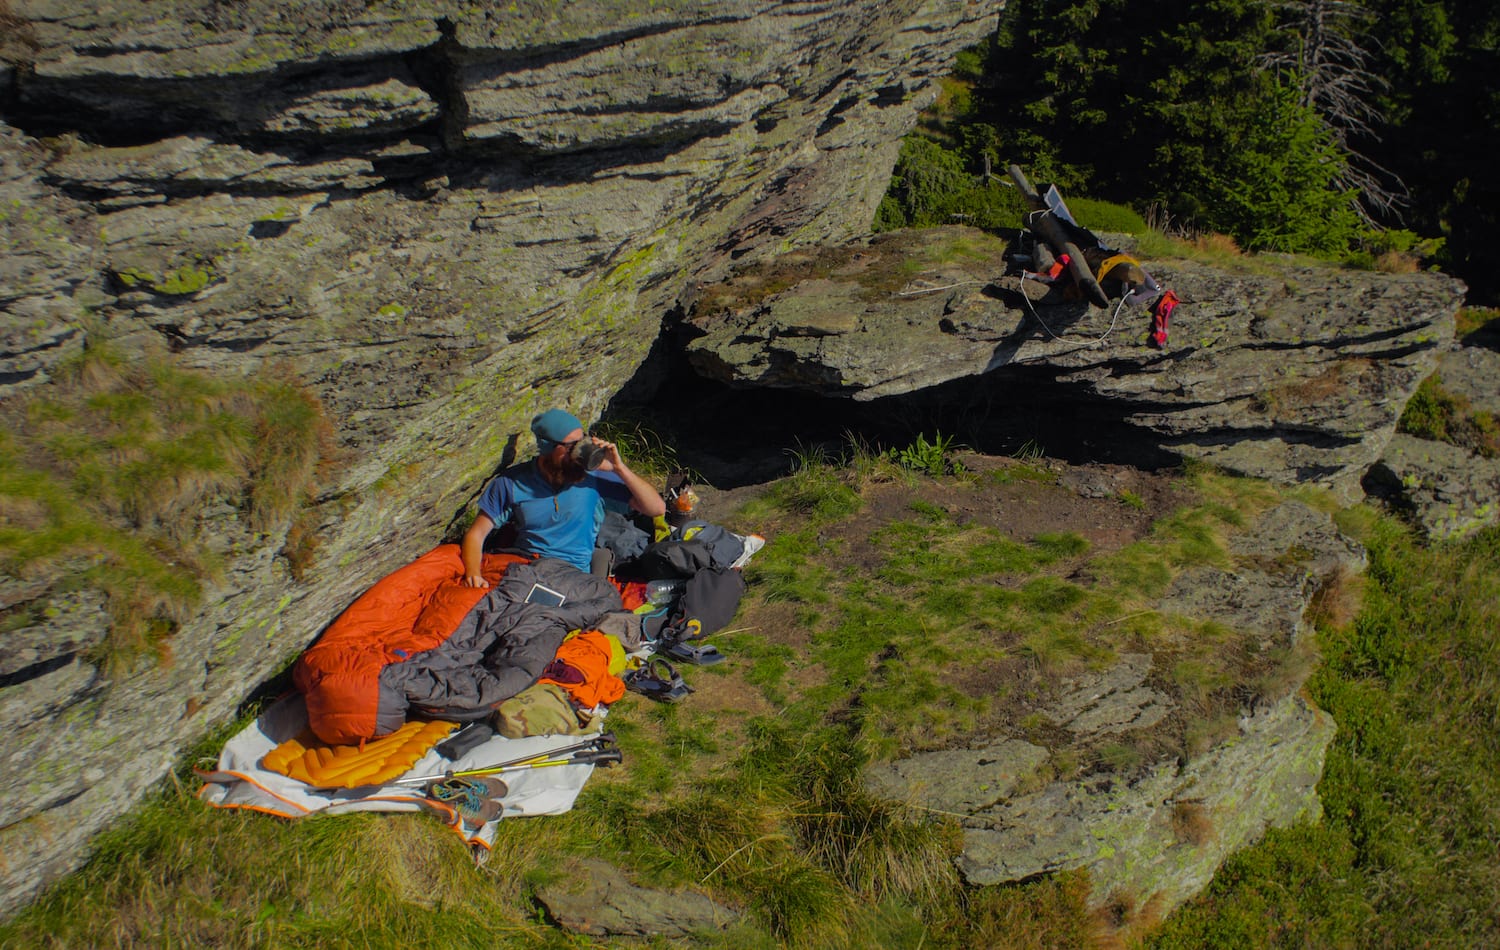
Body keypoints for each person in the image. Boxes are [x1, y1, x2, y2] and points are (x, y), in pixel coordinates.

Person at [460, 409, 666, 586]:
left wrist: (619, 469)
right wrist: (473, 574)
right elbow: (476, 534)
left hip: (574, 576)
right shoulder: (512, 482)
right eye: (571, 447)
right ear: (547, 446)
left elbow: (656, 508)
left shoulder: (593, 476)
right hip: (529, 567)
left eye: (582, 441)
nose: (579, 452)